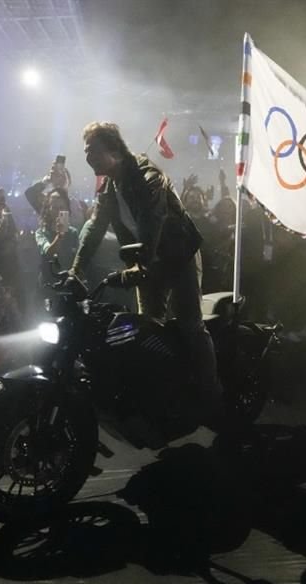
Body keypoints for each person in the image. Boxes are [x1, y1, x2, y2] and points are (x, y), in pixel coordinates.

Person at [66, 122, 220, 418]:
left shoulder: (148, 176)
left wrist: (141, 265)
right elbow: (95, 226)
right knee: (147, 327)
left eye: (92, 151)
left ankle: (211, 394)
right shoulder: (110, 187)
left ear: (113, 149)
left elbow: (153, 220)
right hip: (145, 260)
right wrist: (76, 270)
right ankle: (163, 388)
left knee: (190, 325)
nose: (87, 158)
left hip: (177, 256)